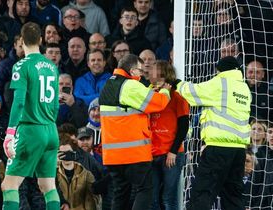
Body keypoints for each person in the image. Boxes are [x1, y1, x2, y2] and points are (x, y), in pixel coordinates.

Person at [175, 56, 251, 210]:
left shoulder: (220, 82)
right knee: (233, 197)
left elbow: (193, 93)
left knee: (202, 193)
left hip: (218, 148)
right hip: (239, 151)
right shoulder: (245, 89)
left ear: (220, 70)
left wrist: (177, 84)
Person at [99, 54, 171, 210]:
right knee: (145, 189)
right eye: (140, 71)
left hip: (112, 156)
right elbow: (157, 103)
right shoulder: (129, 86)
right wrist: (165, 91)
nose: (141, 75)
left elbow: (135, 101)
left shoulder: (108, 85)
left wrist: (151, 89)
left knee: (120, 194)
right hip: (133, 154)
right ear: (132, 71)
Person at [1, 22, 60, 210]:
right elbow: (56, 104)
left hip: (30, 130)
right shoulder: (51, 66)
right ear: (41, 40)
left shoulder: (21, 66)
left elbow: (18, 102)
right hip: (51, 130)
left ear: (21, 41)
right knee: (47, 186)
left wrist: (10, 133)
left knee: (9, 185)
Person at [149, 60, 189, 210]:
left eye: (154, 69)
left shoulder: (177, 96)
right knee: (152, 200)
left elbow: (184, 126)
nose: (149, 72)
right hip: (151, 154)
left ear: (163, 74)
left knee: (168, 198)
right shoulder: (149, 95)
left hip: (170, 154)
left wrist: (173, 151)